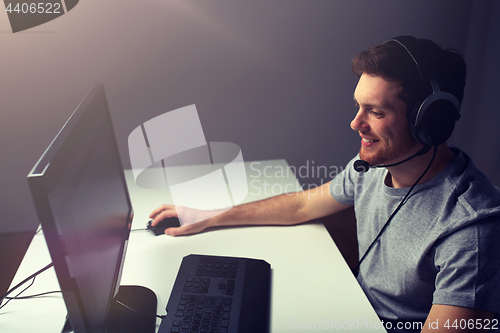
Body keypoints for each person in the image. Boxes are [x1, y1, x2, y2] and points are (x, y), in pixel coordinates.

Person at [149, 36, 500, 331]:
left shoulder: (472, 230)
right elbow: (302, 205)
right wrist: (206, 216)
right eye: (358, 107)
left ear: (431, 122)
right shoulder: (374, 167)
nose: (355, 123)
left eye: (375, 112)